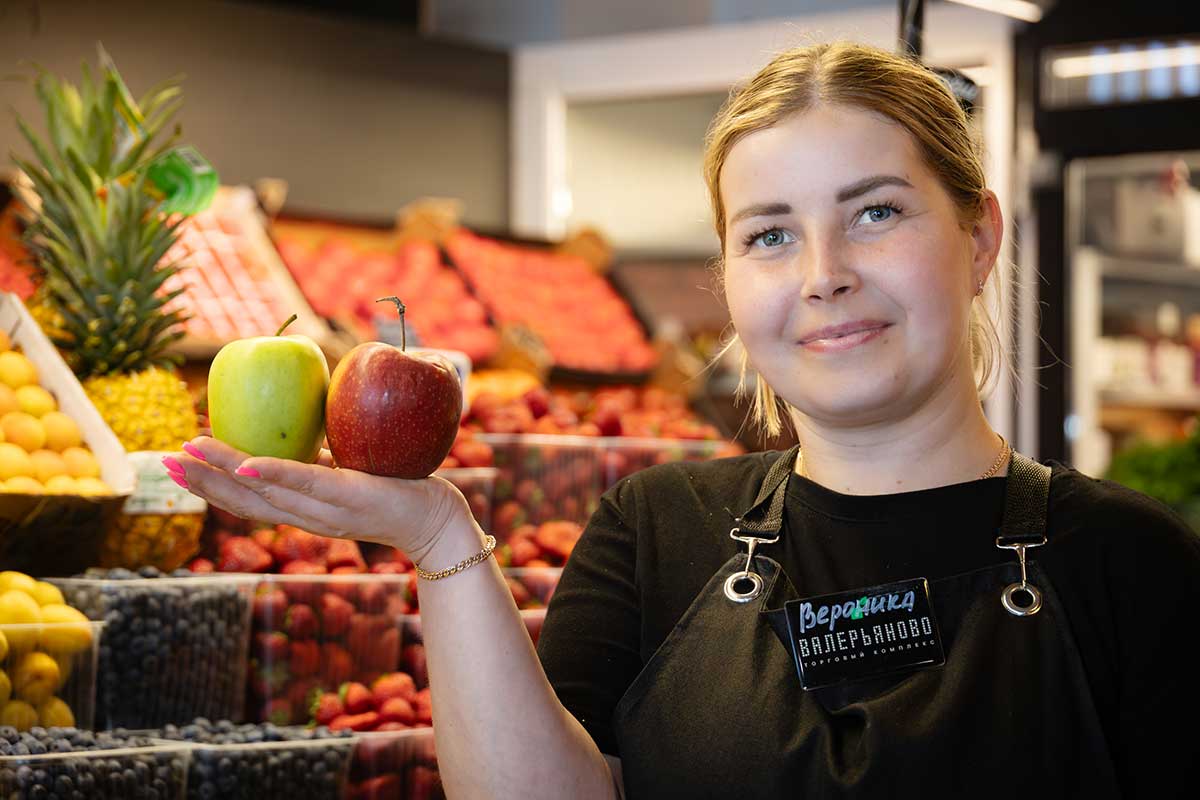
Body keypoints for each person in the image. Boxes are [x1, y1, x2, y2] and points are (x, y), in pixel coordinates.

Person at [170, 41, 1200, 798]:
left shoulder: (1132, 562)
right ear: (729, 278)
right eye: (770, 235)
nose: (824, 274)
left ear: (978, 239)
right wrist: (438, 536)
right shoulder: (656, 528)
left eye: (876, 212)